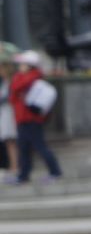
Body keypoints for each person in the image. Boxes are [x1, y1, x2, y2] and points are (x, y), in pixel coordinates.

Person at [6, 50, 62, 185]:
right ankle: (23, 175)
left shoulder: (31, 78)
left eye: (22, 64)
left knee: (39, 146)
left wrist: (16, 79)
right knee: (24, 147)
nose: (19, 67)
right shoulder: (23, 78)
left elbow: (15, 88)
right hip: (22, 118)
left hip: (31, 118)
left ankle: (55, 172)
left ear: (30, 65)